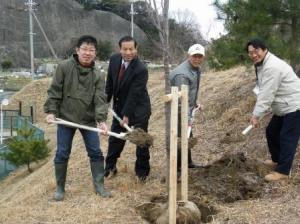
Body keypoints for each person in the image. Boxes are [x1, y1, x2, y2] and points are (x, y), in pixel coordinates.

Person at [44, 35, 111, 200]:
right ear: (77, 50)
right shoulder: (64, 67)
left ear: (95, 53)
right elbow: (54, 91)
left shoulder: (97, 74)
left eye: (91, 50)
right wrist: (51, 111)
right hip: (66, 118)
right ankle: (60, 189)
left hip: (87, 120)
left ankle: (99, 186)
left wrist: (101, 121)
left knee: (95, 152)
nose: (87, 53)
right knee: (62, 153)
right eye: (84, 49)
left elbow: (100, 99)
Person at [246, 38, 300, 181]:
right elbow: (263, 88)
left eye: (256, 51)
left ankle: (283, 171)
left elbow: (266, 94)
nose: (253, 54)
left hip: (294, 105)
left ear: (264, 49)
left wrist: (256, 115)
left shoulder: (272, 67)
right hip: (283, 105)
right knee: (272, 132)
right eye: (250, 52)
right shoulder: (261, 64)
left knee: (287, 137)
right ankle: (276, 160)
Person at [104, 36, 151, 182]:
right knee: (115, 140)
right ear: (120, 49)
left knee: (140, 141)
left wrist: (127, 115)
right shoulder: (114, 60)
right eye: (125, 49)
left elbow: (134, 94)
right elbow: (110, 83)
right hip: (120, 108)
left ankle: (142, 173)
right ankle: (110, 168)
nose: (128, 52)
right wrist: (104, 101)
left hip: (138, 110)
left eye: (131, 49)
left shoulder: (141, 69)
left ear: (136, 49)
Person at [169, 44, 205, 170]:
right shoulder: (182, 75)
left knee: (187, 135)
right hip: (178, 110)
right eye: (194, 56)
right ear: (189, 56)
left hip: (186, 108)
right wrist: (186, 116)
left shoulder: (196, 69)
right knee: (181, 137)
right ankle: (178, 168)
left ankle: (187, 162)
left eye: (200, 56)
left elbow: (190, 92)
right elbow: (180, 100)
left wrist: (195, 104)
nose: (197, 59)